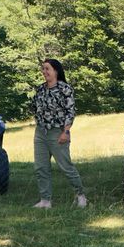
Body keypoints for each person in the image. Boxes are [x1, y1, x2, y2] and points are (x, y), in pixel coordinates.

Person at [31, 58, 87, 209]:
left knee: (66, 166)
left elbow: (70, 111)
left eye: (47, 69)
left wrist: (66, 132)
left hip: (58, 132)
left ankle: (80, 196)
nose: (44, 72)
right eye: (43, 69)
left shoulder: (65, 89)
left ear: (56, 71)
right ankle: (45, 200)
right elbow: (34, 108)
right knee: (41, 168)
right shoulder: (40, 89)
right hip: (41, 132)